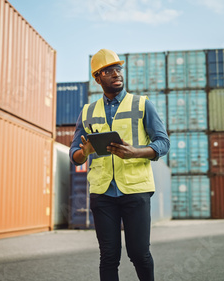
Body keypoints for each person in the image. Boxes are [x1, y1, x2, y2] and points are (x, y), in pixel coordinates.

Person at [70, 49, 170, 281]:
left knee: (139, 253)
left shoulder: (143, 104)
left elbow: (163, 143)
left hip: (136, 190)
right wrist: (85, 151)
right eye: (109, 70)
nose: (116, 73)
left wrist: (135, 152)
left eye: (118, 69)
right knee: (108, 256)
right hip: (102, 193)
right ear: (97, 78)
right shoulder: (87, 112)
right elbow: (74, 155)